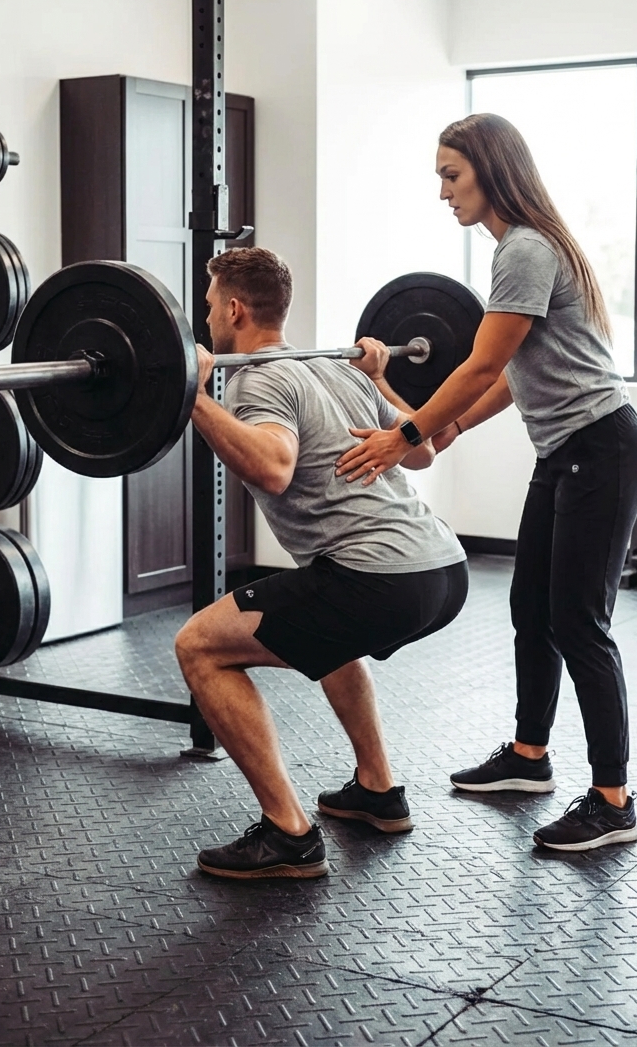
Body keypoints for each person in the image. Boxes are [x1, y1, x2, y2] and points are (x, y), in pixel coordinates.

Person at [336, 113, 637, 853]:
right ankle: (530, 756)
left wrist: (405, 435)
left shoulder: (524, 251)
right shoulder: (523, 250)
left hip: (600, 448)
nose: (443, 192)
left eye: (452, 175)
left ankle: (613, 801)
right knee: (530, 607)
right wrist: (442, 430)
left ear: (491, 170)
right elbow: (512, 377)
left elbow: (479, 366)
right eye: (440, 178)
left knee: (579, 620)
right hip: (568, 451)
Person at [174, 246, 468, 879]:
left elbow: (275, 467)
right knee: (329, 632)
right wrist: (381, 374)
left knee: (199, 645)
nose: (205, 322)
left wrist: (192, 397)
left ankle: (288, 834)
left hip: (380, 578)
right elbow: (423, 450)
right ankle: (378, 791)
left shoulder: (258, 379)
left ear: (233, 308)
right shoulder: (337, 369)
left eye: (207, 308)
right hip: (444, 571)